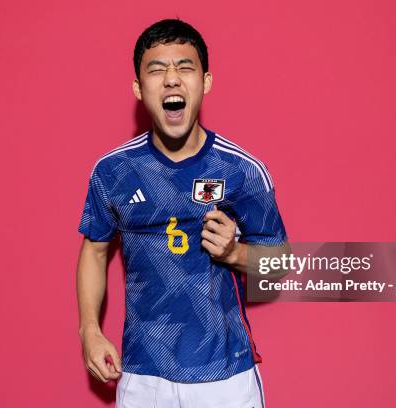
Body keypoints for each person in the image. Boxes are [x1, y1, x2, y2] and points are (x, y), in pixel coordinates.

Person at [76, 18, 288, 408]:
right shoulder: (113, 171)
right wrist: (90, 330)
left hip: (225, 375)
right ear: (139, 89)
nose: (172, 79)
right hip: (142, 374)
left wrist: (234, 254)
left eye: (184, 67)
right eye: (157, 70)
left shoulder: (242, 170)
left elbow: (279, 264)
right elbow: (94, 251)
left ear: (205, 82)